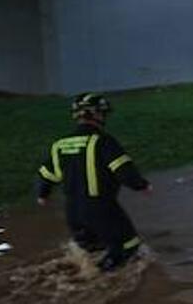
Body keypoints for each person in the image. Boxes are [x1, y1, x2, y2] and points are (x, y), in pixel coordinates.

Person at [35, 93, 152, 272]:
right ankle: (102, 280)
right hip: (101, 209)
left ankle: (80, 276)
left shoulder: (60, 145)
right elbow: (123, 170)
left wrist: (42, 195)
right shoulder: (103, 141)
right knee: (129, 247)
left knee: (90, 252)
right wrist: (142, 185)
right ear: (98, 115)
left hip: (73, 212)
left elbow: (46, 175)